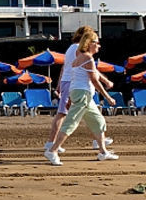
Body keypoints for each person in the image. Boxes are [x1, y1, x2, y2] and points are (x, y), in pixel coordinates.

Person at [44, 31, 118, 165]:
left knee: (98, 121)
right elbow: (95, 81)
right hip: (83, 95)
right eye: (97, 43)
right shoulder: (88, 59)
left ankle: (103, 152)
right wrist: (108, 97)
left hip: (82, 94)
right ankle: (52, 150)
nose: (99, 46)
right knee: (71, 123)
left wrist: (71, 99)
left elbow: (74, 79)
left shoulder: (78, 57)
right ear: (90, 44)